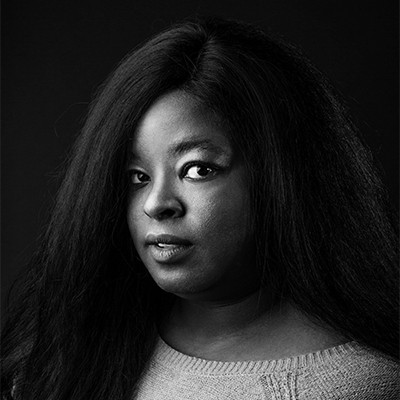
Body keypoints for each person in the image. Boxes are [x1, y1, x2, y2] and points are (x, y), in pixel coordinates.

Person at [1, 17, 398, 400]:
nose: (157, 204)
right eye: (137, 176)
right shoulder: (63, 354)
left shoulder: (357, 385)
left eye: (197, 170)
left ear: (282, 177)